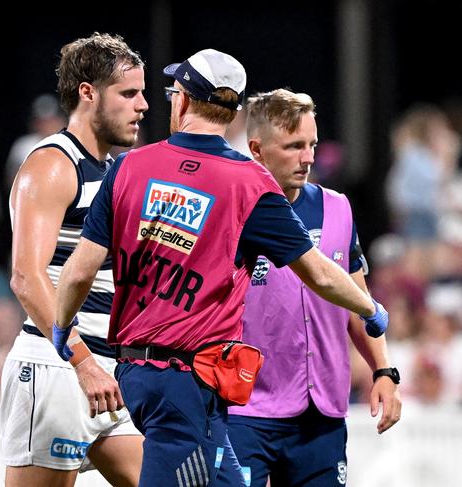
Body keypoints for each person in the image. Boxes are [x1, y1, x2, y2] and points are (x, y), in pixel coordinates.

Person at [52, 49, 389, 486]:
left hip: (144, 373)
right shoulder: (250, 184)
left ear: (185, 101)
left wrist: (62, 329)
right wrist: (370, 308)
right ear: (231, 111)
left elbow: (78, 272)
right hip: (186, 380)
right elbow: (320, 274)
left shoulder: (131, 167)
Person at [226, 89, 402, 487]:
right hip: (246, 411)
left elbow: (358, 300)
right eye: (294, 146)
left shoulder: (338, 206)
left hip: (321, 417)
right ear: (257, 149)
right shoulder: (232, 211)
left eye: (312, 145)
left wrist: (384, 371)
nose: (308, 158)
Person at [0, 32, 148, 487]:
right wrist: (81, 361)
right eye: (128, 93)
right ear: (88, 93)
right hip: (58, 367)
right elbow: (26, 277)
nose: (142, 105)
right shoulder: (52, 164)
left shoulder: (112, 170)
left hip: (109, 373)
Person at [4, 93, 68, 189]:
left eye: (51, 120)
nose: (47, 125)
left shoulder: (70, 143)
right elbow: (12, 180)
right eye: (43, 121)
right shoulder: (23, 146)